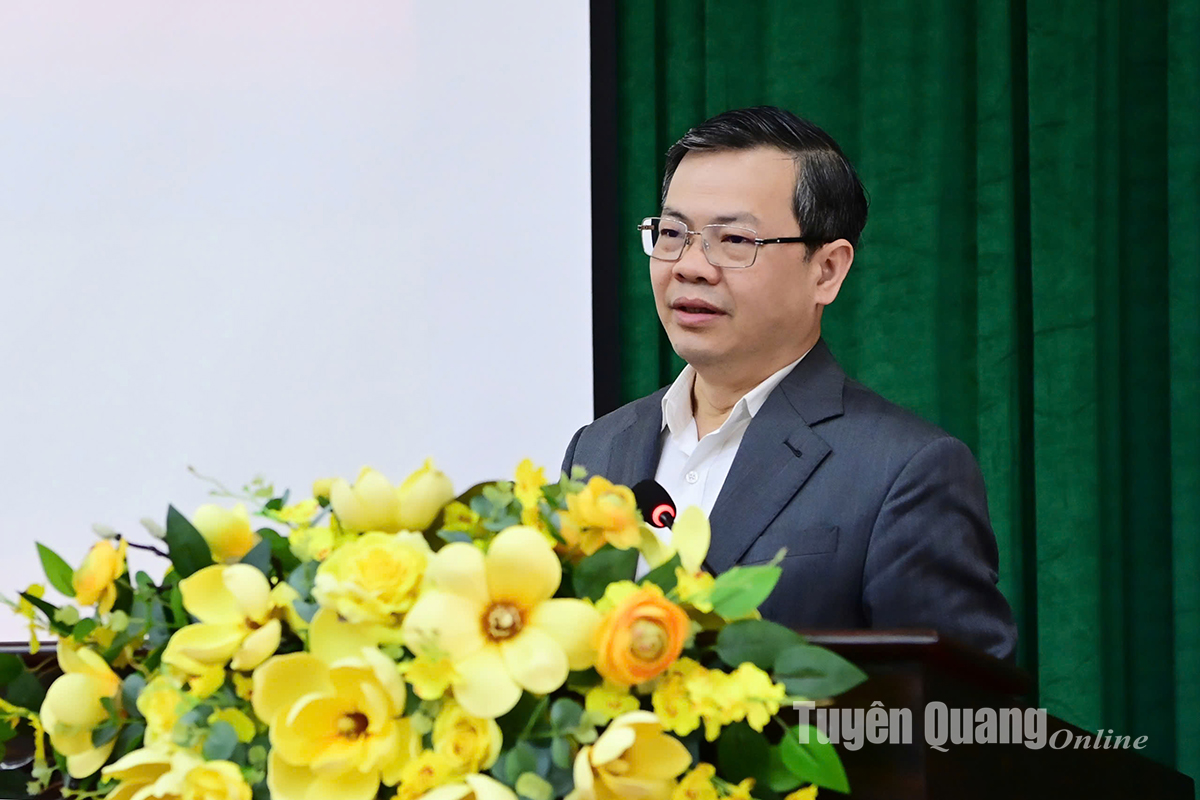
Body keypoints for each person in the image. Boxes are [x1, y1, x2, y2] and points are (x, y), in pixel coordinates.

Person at [562, 106, 1017, 660]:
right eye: (673, 233)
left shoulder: (905, 471)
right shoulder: (599, 448)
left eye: (734, 240)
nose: (689, 266)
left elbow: (960, 704)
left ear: (826, 270)